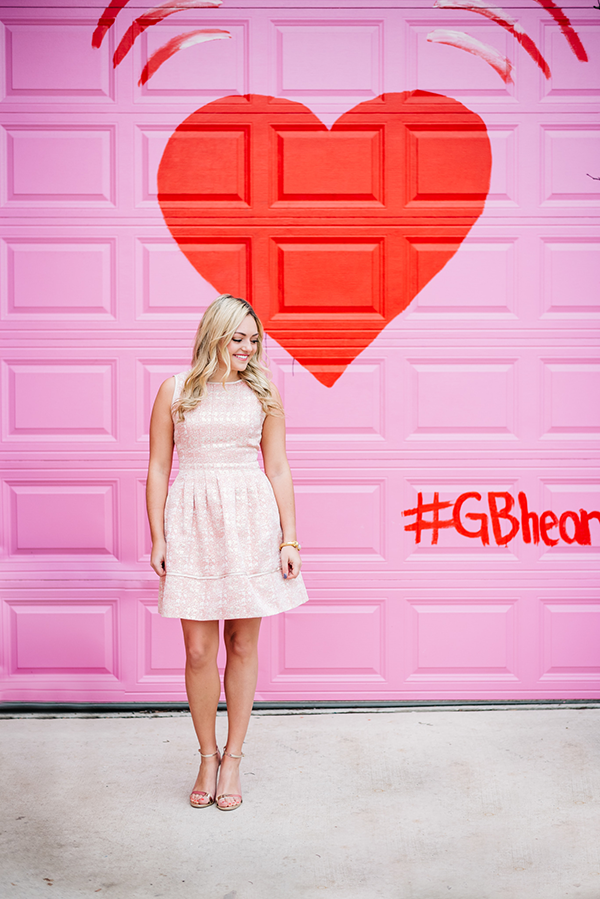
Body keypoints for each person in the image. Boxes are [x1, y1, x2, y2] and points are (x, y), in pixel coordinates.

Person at [146, 294, 309, 811]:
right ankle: (206, 754)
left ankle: (234, 757)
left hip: (250, 521)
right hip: (192, 522)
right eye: (238, 337)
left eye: (254, 339)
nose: (247, 348)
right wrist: (158, 537)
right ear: (213, 334)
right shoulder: (175, 390)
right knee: (197, 651)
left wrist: (289, 537)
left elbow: (278, 468)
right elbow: (157, 468)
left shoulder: (263, 393)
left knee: (241, 644)